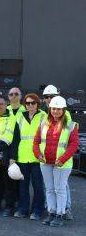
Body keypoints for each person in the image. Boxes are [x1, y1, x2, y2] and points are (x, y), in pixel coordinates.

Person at [34, 96, 79, 227]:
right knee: (49, 189)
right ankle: (51, 213)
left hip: (62, 164)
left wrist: (63, 159)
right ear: (50, 109)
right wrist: (38, 155)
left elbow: (73, 144)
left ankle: (60, 214)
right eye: (53, 108)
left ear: (63, 110)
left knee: (60, 189)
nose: (56, 111)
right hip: (46, 162)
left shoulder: (71, 125)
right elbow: (36, 142)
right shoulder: (43, 123)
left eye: (59, 109)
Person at [40, 84, 74, 220]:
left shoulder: (66, 114)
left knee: (61, 186)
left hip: (61, 159)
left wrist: (63, 157)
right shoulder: (44, 113)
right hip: (47, 158)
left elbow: (68, 137)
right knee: (50, 187)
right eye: (46, 97)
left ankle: (65, 209)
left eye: (51, 96)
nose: (49, 99)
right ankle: (52, 209)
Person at [10, 93, 46, 220]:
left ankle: (37, 210)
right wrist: (13, 156)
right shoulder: (20, 117)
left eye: (33, 103)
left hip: (38, 157)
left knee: (38, 185)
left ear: (37, 104)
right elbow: (16, 138)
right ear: (25, 104)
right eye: (28, 103)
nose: (30, 105)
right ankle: (23, 209)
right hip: (23, 157)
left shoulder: (43, 116)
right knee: (23, 185)